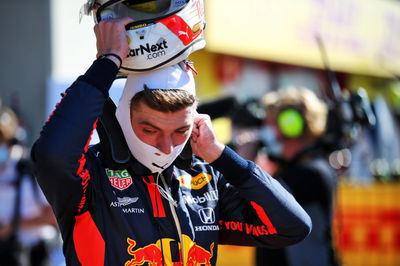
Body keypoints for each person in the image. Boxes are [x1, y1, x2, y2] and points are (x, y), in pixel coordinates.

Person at [31, 18, 311, 265]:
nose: (165, 147)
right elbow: (52, 154)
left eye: (180, 131)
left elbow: (293, 227)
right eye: (150, 130)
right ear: (124, 119)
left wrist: (221, 156)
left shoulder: (205, 176)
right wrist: (108, 61)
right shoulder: (91, 175)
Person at [255, 87, 340, 266]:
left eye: (271, 121)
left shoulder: (309, 173)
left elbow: (257, 201)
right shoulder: (302, 168)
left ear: (290, 124)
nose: (267, 129)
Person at [0, 104, 58, 266]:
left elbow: (53, 216)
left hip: (34, 255)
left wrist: (13, 226)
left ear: (11, 140)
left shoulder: (32, 169)